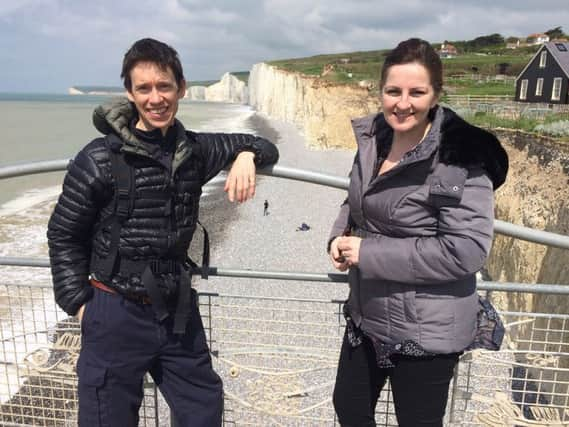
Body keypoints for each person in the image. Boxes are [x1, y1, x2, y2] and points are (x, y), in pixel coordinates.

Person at [47, 38, 279, 427]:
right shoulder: (99, 158)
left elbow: (264, 144)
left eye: (164, 86)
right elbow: (63, 234)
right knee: (107, 418)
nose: (156, 98)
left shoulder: (195, 150)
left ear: (181, 88)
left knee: (203, 409)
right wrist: (80, 306)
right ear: (130, 94)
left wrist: (246, 155)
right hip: (113, 307)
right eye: (144, 88)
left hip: (176, 308)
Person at [328, 38, 508, 427]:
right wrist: (338, 238)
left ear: (436, 95)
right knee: (349, 407)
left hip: (426, 327)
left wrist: (367, 254)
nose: (402, 103)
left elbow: (466, 250)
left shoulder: (460, 155)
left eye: (416, 92)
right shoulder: (373, 140)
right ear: (380, 92)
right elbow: (354, 199)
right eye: (393, 91)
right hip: (367, 314)